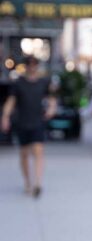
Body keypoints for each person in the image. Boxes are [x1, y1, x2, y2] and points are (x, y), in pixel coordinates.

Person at [1, 56, 57, 197]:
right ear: (26, 66)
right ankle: (27, 181)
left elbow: (51, 99)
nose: (32, 67)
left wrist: (51, 109)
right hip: (22, 122)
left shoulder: (43, 82)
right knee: (24, 153)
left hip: (38, 121)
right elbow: (11, 101)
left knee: (38, 150)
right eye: (29, 65)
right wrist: (5, 117)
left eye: (34, 65)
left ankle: (37, 183)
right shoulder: (18, 83)